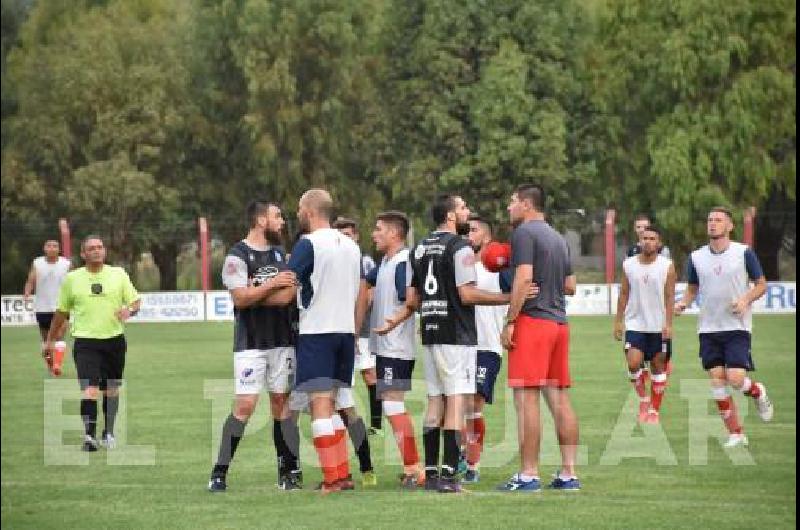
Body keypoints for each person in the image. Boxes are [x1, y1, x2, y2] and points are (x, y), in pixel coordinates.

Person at [377, 194, 511, 493]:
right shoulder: (460, 247)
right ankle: (450, 478)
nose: (467, 213)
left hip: (431, 333)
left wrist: (396, 320)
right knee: (457, 401)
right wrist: (508, 298)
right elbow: (468, 295)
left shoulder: (419, 248)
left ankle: (432, 474)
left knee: (435, 402)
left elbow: (413, 299)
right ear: (451, 216)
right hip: (457, 335)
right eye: (463, 208)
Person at [207, 201, 302, 492]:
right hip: (251, 344)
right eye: (277, 217)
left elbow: (287, 295)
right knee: (245, 405)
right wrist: (272, 284)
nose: (282, 221)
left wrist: (256, 291)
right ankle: (219, 472)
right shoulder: (237, 256)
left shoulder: (279, 254)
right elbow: (240, 300)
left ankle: (287, 472)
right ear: (261, 220)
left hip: (283, 341)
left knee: (281, 406)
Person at [498, 184, 581, 492]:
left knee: (526, 399)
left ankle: (528, 474)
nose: (509, 208)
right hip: (559, 324)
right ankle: (568, 473)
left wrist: (510, 321)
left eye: (512, 202)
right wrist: (548, 285)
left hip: (533, 322)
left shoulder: (524, 233)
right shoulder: (558, 237)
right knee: (559, 398)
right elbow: (570, 285)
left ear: (526, 204)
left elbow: (523, 277)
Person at [675, 207, 773, 448]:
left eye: (718, 220)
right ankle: (736, 433)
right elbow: (692, 288)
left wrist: (744, 300)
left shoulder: (743, 253)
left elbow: (761, 284)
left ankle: (758, 392)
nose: (712, 224)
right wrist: (683, 303)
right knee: (717, 381)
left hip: (737, 326)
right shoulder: (696, 257)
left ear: (730, 226)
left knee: (736, 378)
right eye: (709, 220)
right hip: (708, 327)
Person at [288, 189, 362, 494]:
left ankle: (332, 479)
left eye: (298, 209)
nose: (296, 214)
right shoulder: (352, 246)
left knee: (320, 407)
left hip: (317, 331)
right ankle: (341, 475)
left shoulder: (307, 244)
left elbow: (287, 282)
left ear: (308, 211)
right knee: (331, 406)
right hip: (344, 332)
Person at [44, 235, 141, 452]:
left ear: (104, 251)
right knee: (90, 389)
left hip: (115, 342)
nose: (97, 251)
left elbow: (135, 301)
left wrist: (130, 310)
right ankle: (89, 436)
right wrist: (50, 340)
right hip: (86, 343)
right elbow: (61, 312)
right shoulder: (72, 279)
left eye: (100, 247)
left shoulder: (118, 274)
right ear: (83, 254)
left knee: (112, 390)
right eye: (91, 248)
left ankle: (108, 432)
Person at [355, 211, 423, 488]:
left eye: (379, 229)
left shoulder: (403, 262)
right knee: (390, 405)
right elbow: (364, 282)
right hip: (384, 345)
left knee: (394, 405)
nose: (374, 233)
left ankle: (415, 468)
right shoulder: (384, 262)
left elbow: (412, 300)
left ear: (394, 234)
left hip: (396, 345)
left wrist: (391, 323)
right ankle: (411, 466)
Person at [462, 214, 513, 483]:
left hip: (487, 346)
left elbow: (519, 292)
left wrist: (511, 324)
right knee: (458, 404)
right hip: (460, 345)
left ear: (487, 237)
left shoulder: (498, 270)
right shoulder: (461, 266)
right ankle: (461, 457)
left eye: (473, 231)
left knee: (473, 403)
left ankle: (472, 463)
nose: (468, 235)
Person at [614, 225, 676, 424]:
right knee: (633, 362)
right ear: (639, 241)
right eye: (645, 238)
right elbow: (624, 293)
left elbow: (669, 296)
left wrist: (668, 323)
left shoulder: (667, 266)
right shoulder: (629, 264)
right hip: (635, 324)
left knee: (658, 367)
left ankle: (654, 411)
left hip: (658, 326)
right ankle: (643, 399)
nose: (648, 241)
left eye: (652, 238)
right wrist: (618, 321)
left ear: (658, 243)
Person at [333, 217, 383, 435]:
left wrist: (356, 319)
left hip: (363, 330)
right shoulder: (333, 260)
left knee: (370, 374)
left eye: (349, 235)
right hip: (341, 329)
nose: (346, 239)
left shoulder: (365, 261)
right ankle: (347, 423)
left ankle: (376, 425)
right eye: (341, 235)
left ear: (356, 236)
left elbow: (369, 294)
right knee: (344, 379)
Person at [24, 239, 72, 370]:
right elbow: (30, 280)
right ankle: (51, 364)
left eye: (55, 246)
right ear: (44, 248)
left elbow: (73, 281)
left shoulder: (66, 264)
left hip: (61, 306)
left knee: (59, 335)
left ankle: (57, 364)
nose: (51, 248)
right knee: (47, 342)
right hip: (42, 307)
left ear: (59, 249)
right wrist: (27, 293)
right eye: (49, 246)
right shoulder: (37, 263)